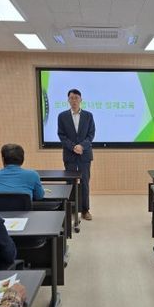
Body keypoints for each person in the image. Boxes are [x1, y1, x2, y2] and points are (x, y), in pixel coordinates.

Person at [57, 88, 95, 221]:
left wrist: (81, 146)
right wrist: (73, 147)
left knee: (85, 183)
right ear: (68, 100)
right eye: (71, 98)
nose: (74, 101)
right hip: (70, 154)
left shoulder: (88, 116)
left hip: (85, 155)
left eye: (76, 98)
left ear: (81, 100)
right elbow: (61, 135)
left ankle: (85, 210)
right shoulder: (62, 116)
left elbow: (91, 135)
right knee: (70, 182)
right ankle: (71, 209)